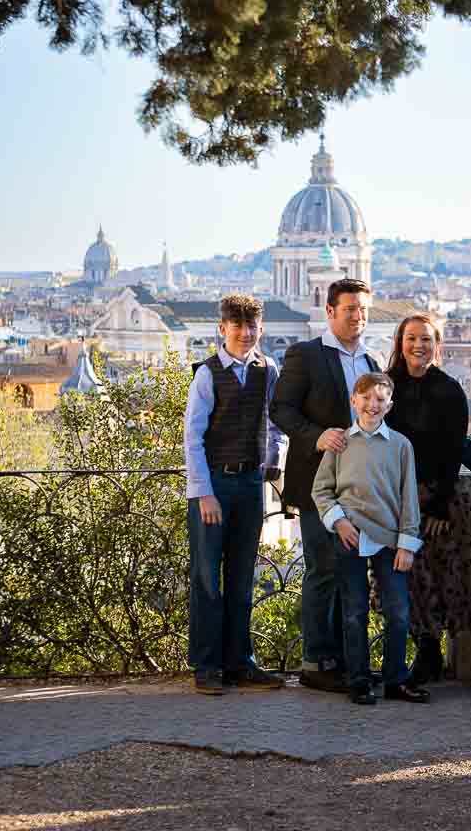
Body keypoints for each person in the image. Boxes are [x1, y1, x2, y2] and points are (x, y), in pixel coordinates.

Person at [269, 278, 380, 692]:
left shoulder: (372, 361)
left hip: (359, 487)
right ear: (330, 311)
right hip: (318, 482)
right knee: (322, 568)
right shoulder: (305, 355)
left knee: (349, 571)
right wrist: (315, 435)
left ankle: (344, 659)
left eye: (364, 310)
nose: (358, 316)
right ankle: (316, 660)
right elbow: (280, 407)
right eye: (351, 309)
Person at [385, 314, 471, 685]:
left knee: (440, 575)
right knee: (410, 578)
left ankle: (430, 652)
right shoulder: (387, 387)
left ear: (438, 345)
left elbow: (454, 451)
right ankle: (423, 649)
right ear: (400, 343)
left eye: (425, 339)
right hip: (398, 500)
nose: (418, 346)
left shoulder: (450, 390)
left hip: (439, 501)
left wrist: (437, 503)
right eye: (411, 338)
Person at [183, 293, 286, 695]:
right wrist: (203, 493)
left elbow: (275, 423)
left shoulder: (268, 369)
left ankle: (240, 662)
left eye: (251, 326)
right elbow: (192, 437)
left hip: (249, 483)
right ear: (222, 329)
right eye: (237, 326)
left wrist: (272, 461)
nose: (245, 333)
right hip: (213, 484)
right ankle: (207, 666)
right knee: (208, 576)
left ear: (260, 329)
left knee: (243, 577)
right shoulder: (207, 374)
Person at [312, 372, 428, 706]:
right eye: (366, 397)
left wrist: (407, 542)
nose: (372, 404)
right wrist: (339, 522)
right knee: (354, 611)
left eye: (380, 399)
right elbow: (321, 490)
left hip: (390, 540)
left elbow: (409, 498)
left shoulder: (401, 446)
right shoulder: (341, 443)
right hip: (349, 535)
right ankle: (359, 679)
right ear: (354, 400)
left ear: (389, 406)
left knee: (398, 611)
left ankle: (395, 678)